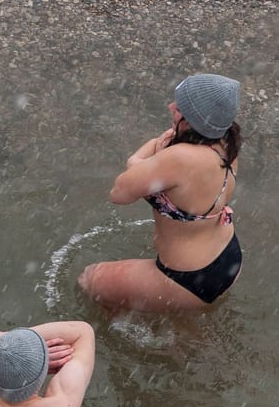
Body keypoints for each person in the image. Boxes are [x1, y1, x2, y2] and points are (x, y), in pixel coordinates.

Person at [81, 73, 243, 311]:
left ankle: (120, 330)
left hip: (186, 278)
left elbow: (120, 192)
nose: (171, 106)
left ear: (192, 121)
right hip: (228, 258)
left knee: (88, 280)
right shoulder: (227, 142)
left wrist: (141, 156)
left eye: (179, 108)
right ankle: (178, 318)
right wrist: (162, 150)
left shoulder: (179, 158)